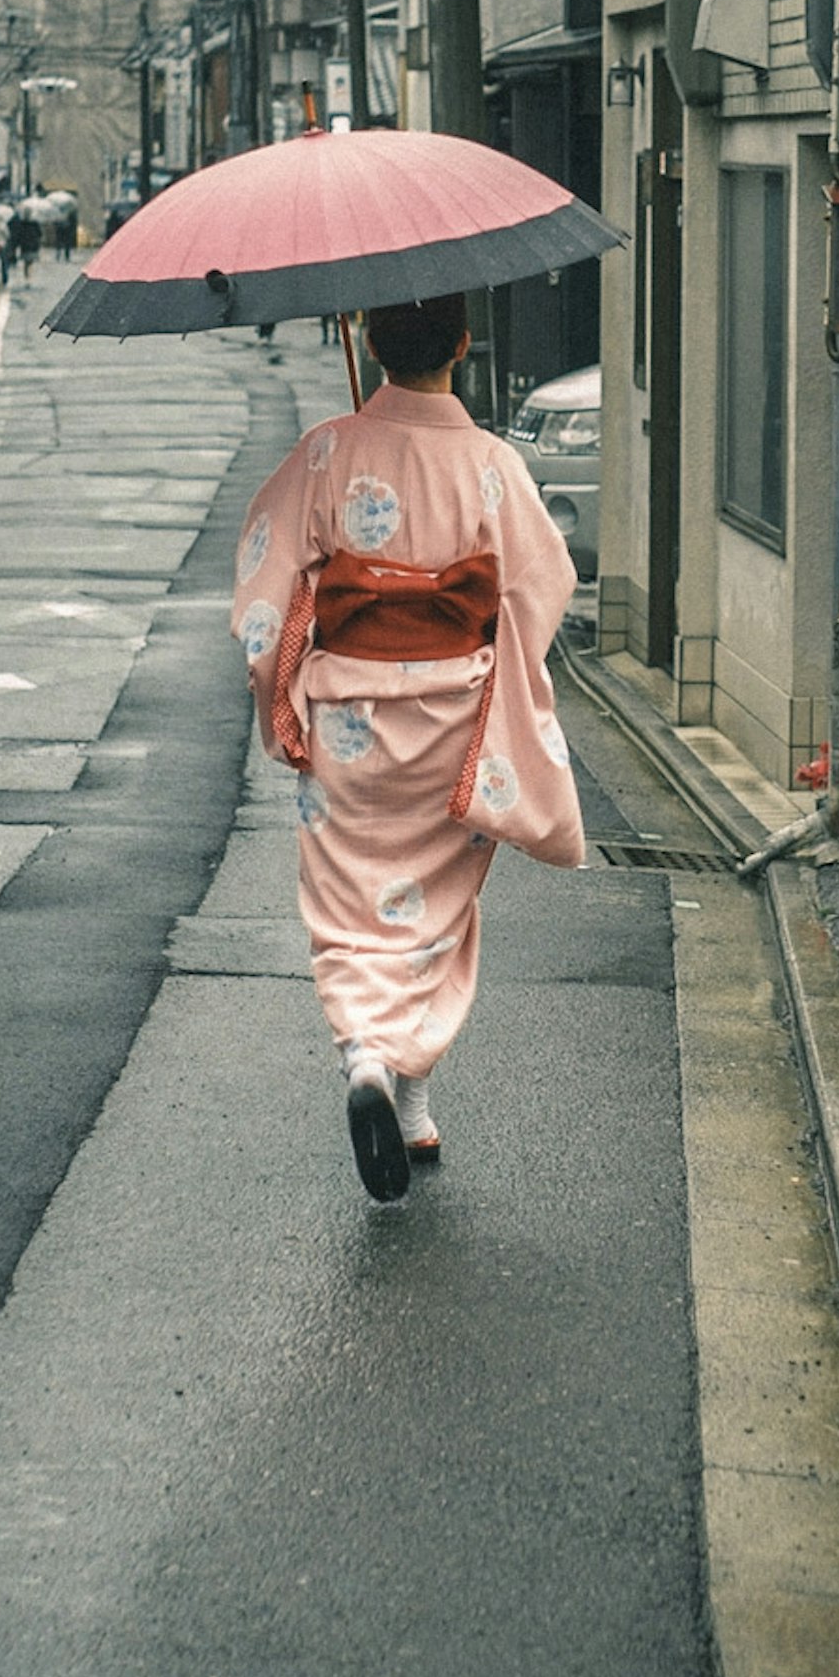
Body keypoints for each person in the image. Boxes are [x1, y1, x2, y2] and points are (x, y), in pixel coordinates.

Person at [229, 296, 585, 1200]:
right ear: (462, 345)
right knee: (437, 908)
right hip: (452, 720)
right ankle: (412, 1096)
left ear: (370, 341)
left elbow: (266, 587)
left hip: (349, 717)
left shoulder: (326, 451)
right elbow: (543, 586)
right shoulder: (493, 463)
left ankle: (367, 1060)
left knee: (349, 903)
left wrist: (282, 690)